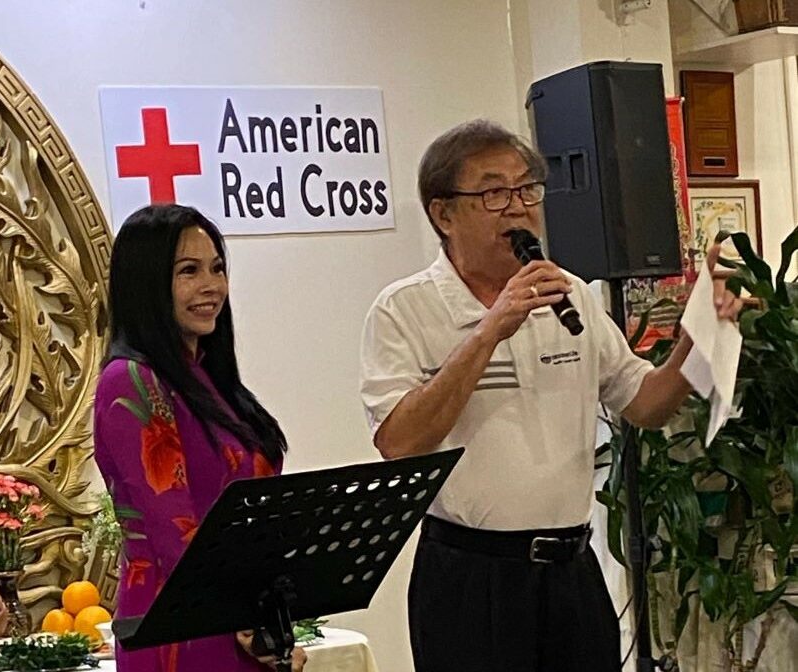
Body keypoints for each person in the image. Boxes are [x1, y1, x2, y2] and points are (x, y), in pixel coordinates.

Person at [359, 120, 741, 672]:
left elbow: (646, 406)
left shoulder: (574, 296)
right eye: (493, 192)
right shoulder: (404, 309)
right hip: (472, 579)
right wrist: (491, 329)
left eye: (527, 189)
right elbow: (400, 441)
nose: (518, 208)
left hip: (571, 573)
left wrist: (694, 338)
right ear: (443, 214)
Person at [94, 204, 307, 672]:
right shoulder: (130, 380)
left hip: (239, 623)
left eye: (217, 268)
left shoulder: (208, 378)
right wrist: (250, 624)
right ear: (146, 283)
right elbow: (176, 531)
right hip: (180, 630)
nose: (212, 287)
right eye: (188, 271)